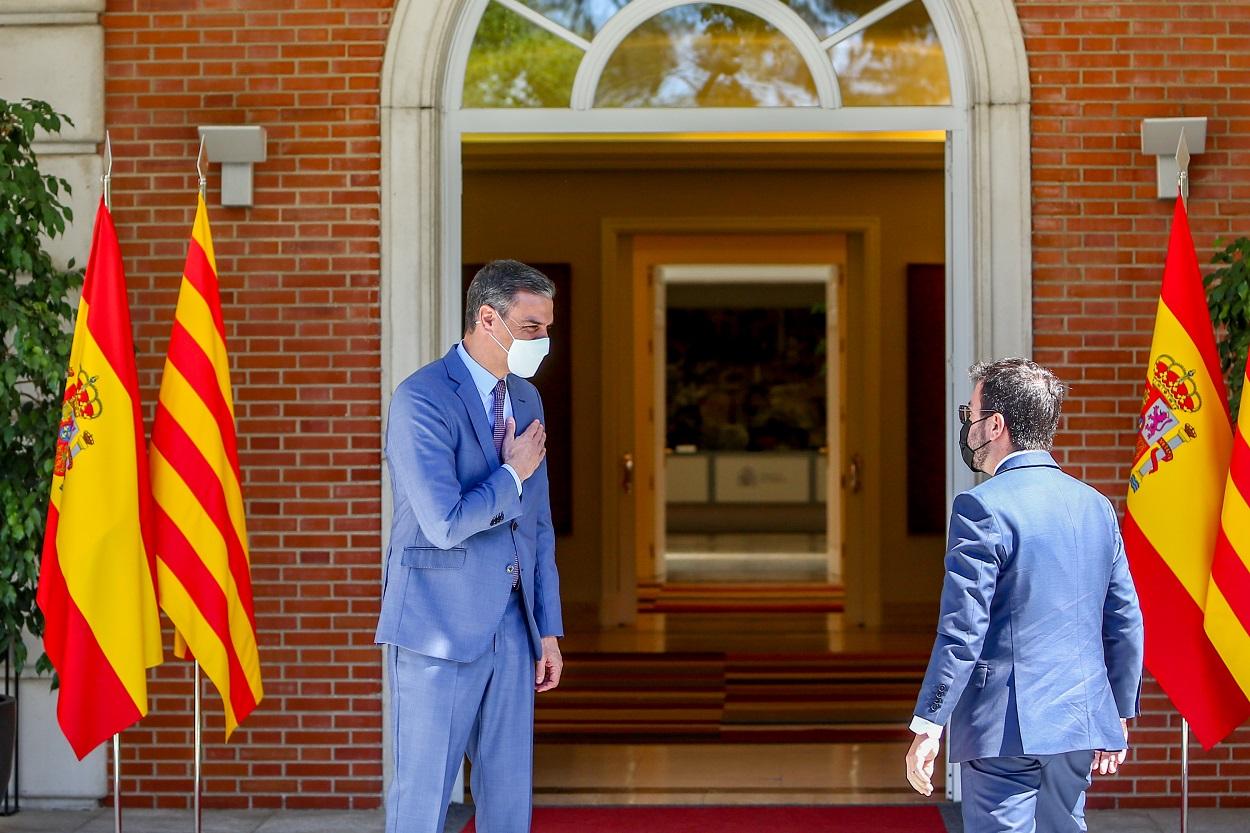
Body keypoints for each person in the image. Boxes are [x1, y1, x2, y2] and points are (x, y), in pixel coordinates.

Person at [905, 358, 1144, 833]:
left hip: (1004, 725)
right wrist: (1117, 712)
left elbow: (963, 628)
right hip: (1080, 718)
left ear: (996, 425)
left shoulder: (979, 506)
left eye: (969, 413)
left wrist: (929, 723)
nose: (967, 425)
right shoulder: (1096, 505)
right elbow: (1125, 618)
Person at [376, 260, 564, 833]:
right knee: (423, 800)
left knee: (508, 801)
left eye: (547, 327)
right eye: (531, 327)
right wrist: (511, 474)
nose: (543, 340)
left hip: (513, 627)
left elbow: (539, 527)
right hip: (436, 625)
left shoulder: (527, 399)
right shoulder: (422, 399)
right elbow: (444, 523)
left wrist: (547, 630)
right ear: (488, 318)